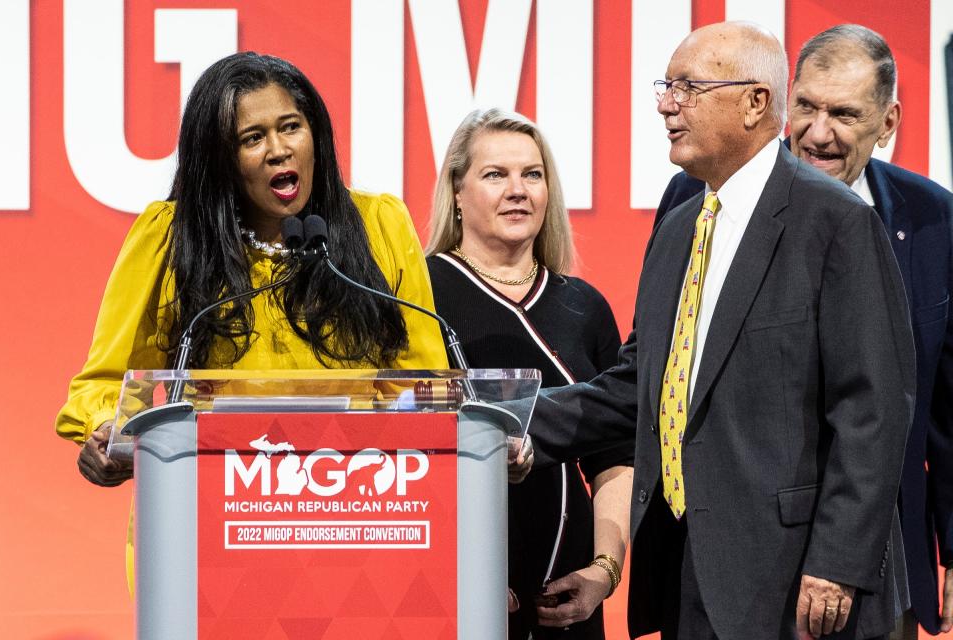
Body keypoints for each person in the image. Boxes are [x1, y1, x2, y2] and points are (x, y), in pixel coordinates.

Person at [526, 21, 915, 639]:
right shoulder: (680, 226)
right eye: (665, 86)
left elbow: (871, 410)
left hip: (799, 585)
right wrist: (507, 422)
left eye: (688, 88)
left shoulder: (837, 222)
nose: (664, 103)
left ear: (755, 103)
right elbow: (642, 386)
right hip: (687, 568)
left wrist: (837, 565)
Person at [654, 24, 953, 637]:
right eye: (809, 107)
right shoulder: (696, 198)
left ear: (888, 121)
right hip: (733, 553)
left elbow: (944, 408)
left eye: (843, 113)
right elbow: (667, 368)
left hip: (871, 564)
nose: (819, 133)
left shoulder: (933, 219)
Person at [56, 52, 448, 505]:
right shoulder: (172, 238)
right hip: (211, 508)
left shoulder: (378, 225)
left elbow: (425, 387)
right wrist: (107, 431)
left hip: (355, 506)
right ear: (220, 159)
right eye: (253, 138)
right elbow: (109, 382)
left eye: (290, 127)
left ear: (315, 133)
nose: (279, 149)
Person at [425, 108, 634, 639]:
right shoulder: (418, 295)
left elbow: (616, 458)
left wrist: (603, 573)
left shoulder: (584, 305)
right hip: (456, 592)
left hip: (570, 596)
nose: (518, 190)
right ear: (455, 190)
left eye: (532, 174)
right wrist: (451, 576)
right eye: (495, 174)